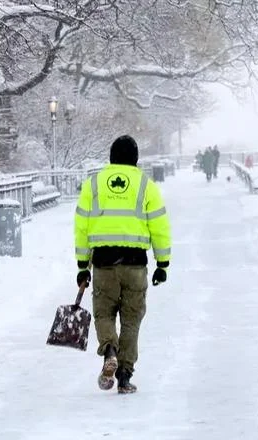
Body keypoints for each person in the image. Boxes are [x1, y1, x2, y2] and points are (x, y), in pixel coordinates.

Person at [74, 135, 172, 394]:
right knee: (131, 319)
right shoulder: (146, 185)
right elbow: (159, 226)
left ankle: (109, 350)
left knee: (104, 313)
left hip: (103, 263)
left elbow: (81, 227)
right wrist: (163, 263)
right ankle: (125, 375)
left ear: (111, 157)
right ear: (136, 158)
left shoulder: (93, 184)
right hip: (135, 264)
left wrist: (83, 265)